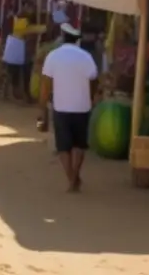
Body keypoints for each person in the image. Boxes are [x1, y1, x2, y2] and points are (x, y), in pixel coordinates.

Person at [39, 24, 98, 192]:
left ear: (63, 38)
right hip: (82, 106)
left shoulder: (53, 56)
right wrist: (91, 97)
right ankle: (75, 175)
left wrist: (42, 108)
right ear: (77, 40)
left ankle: (71, 177)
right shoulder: (86, 57)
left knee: (63, 146)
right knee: (79, 144)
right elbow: (93, 79)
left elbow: (45, 84)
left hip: (61, 106)